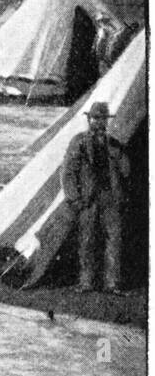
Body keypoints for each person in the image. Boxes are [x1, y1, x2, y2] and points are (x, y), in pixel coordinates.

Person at [62, 101, 131, 294]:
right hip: (88, 198)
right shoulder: (79, 142)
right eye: (96, 119)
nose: (99, 123)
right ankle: (86, 282)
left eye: (103, 119)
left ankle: (112, 283)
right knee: (87, 240)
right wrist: (74, 198)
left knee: (114, 240)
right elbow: (68, 173)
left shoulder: (115, 145)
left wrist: (117, 153)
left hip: (110, 198)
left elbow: (126, 172)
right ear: (89, 120)